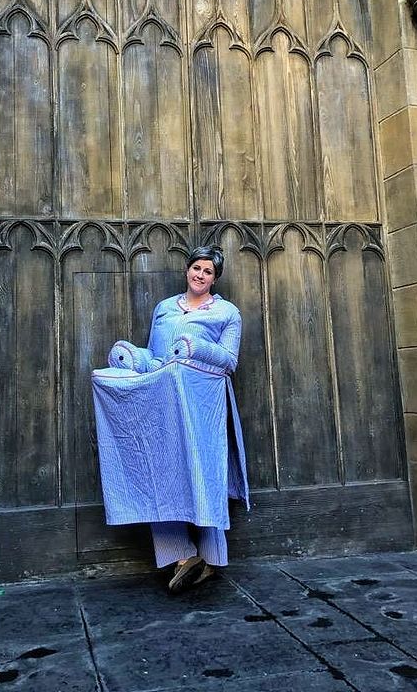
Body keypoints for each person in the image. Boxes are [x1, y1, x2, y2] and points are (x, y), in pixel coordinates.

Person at [92, 245, 249, 594]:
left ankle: (211, 557)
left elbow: (229, 360)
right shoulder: (165, 308)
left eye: (208, 271)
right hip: (161, 404)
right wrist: (133, 357)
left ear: (215, 278)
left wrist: (195, 348)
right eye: (196, 268)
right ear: (187, 270)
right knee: (160, 471)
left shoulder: (226, 312)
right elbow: (157, 357)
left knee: (202, 473)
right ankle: (180, 555)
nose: (200, 275)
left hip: (202, 405)